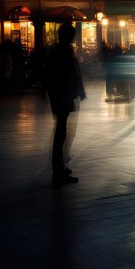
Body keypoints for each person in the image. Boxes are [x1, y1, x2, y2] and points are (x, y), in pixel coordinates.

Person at [45, 21, 86, 188]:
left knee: (62, 132)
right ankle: (58, 171)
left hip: (59, 95)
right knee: (61, 133)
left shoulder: (57, 50)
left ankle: (60, 167)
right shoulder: (64, 51)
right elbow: (70, 73)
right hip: (63, 96)